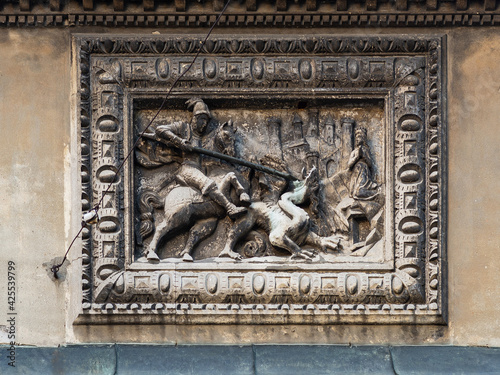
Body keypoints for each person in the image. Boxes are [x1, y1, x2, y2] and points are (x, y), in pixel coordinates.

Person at [143, 98, 248, 219]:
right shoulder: (183, 128)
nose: (204, 124)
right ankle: (230, 207)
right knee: (209, 183)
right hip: (188, 169)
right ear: (195, 118)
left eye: (206, 121)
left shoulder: (204, 138)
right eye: (202, 120)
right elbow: (160, 129)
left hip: (200, 170)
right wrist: (179, 141)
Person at [347, 127, 379, 200]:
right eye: (357, 137)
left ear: (363, 138)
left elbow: (370, 164)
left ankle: (373, 193)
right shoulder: (354, 152)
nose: (357, 139)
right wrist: (357, 157)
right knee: (355, 192)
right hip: (356, 173)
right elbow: (349, 165)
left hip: (364, 173)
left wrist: (364, 156)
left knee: (359, 192)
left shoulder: (366, 150)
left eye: (360, 137)